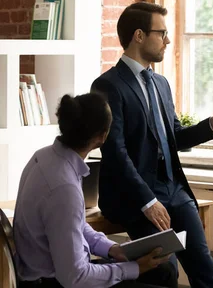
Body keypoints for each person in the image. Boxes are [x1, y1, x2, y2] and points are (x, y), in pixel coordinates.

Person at [91, 2, 213, 288]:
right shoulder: (108, 85)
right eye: (161, 33)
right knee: (166, 272)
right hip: (136, 196)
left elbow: (172, 137)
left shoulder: (161, 83)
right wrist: (147, 201)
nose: (167, 40)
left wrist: (212, 127)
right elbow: (115, 152)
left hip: (174, 190)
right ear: (139, 36)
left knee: (204, 270)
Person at [14, 93, 176, 288]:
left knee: (164, 272)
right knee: (158, 276)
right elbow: (75, 277)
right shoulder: (63, 188)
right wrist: (134, 269)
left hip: (57, 273)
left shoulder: (44, 157)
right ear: (102, 137)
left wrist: (114, 249)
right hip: (53, 281)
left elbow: (77, 225)